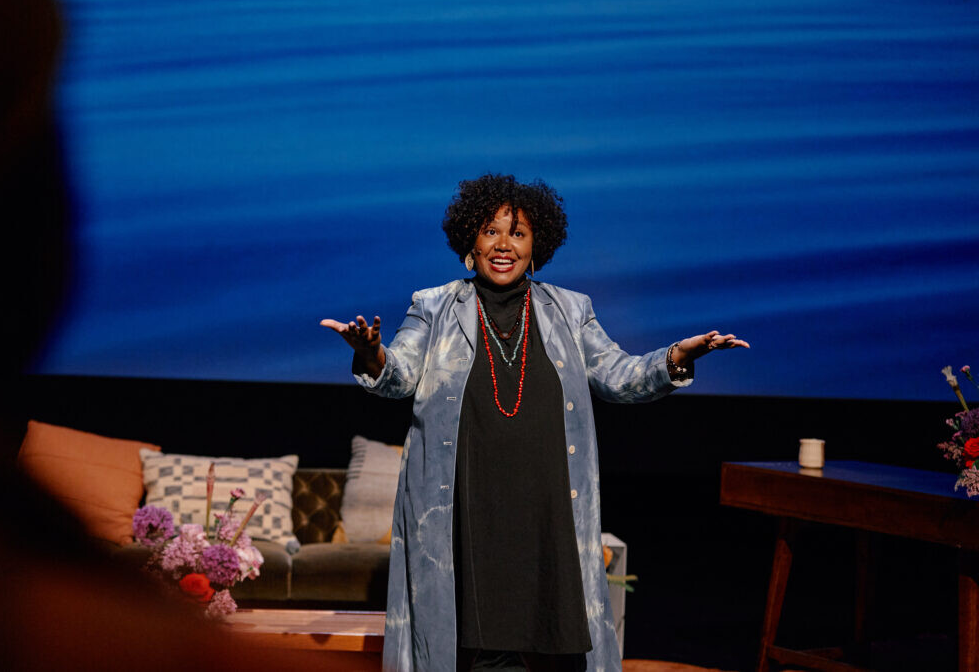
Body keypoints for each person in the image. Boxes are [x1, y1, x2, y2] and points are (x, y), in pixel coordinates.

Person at [321, 174, 749, 672]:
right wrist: (372, 354)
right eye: (490, 232)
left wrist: (676, 356)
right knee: (477, 646)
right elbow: (400, 375)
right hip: (468, 508)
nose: (503, 245)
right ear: (470, 242)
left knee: (551, 643)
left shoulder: (571, 310)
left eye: (518, 233)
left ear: (536, 245)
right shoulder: (432, 306)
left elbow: (616, 375)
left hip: (546, 509)